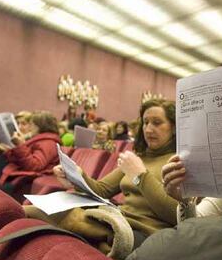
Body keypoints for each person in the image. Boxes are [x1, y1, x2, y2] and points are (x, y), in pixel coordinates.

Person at [25, 99, 178, 251]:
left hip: (142, 233)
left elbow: (175, 214)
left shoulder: (177, 161)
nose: (149, 129)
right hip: (117, 220)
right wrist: (76, 175)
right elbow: (102, 189)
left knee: (42, 215)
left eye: (157, 123)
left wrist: (140, 175)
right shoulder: (138, 158)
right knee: (39, 213)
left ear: (174, 127)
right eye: (145, 122)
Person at [0, 111, 60, 193]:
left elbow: (34, 165)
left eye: (31, 124)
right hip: (20, 169)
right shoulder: (42, 140)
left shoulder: (48, 143)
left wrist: (20, 145)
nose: (30, 128)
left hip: (26, 176)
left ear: (39, 127)